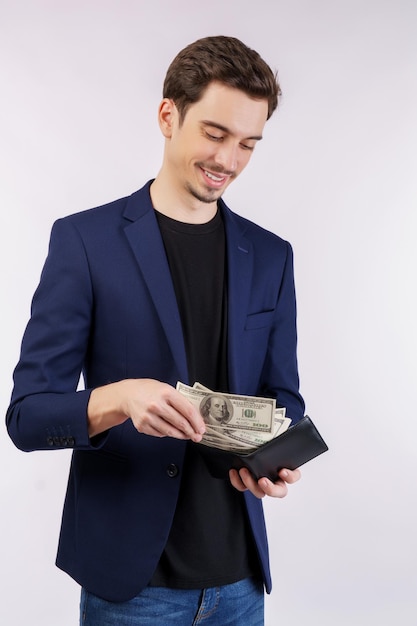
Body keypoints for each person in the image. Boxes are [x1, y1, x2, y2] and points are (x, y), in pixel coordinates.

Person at [6, 35, 305, 625]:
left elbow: (284, 396)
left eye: (248, 143)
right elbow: (27, 417)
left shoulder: (272, 256)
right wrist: (119, 398)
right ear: (168, 115)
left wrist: (272, 455)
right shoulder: (85, 242)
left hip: (240, 581)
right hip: (132, 588)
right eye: (215, 134)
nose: (229, 160)